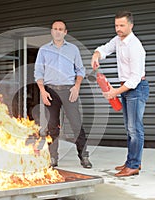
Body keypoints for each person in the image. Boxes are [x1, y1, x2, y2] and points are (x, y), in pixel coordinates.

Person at [91, 11, 150, 177]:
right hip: (125, 88)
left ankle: (133, 165)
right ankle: (131, 161)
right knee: (129, 128)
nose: (118, 29)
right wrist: (96, 55)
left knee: (135, 129)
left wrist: (114, 92)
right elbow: (104, 49)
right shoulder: (118, 40)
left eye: (122, 25)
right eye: (116, 25)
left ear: (131, 25)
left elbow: (134, 79)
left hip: (136, 89)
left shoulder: (135, 46)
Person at [34, 20, 92, 168]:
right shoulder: (44, 50)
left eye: (61, 29)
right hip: (50, 91)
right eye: (55, 29)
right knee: (52, 126)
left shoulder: (73, 49)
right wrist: (42, 90)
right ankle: (53, 157)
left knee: (76, 124)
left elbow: (80, 70)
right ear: (51, 31)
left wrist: (77, 86)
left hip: (69, 90)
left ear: (65, 32)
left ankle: (83, 156)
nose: (58, 31)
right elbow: (38, 72)